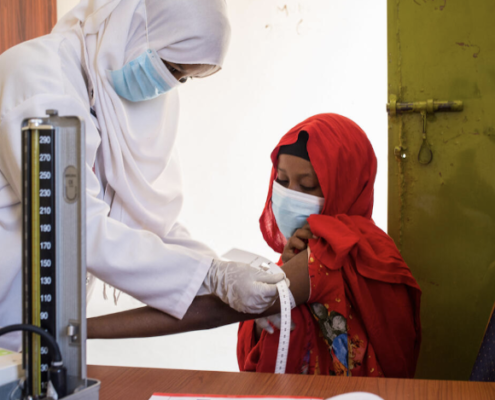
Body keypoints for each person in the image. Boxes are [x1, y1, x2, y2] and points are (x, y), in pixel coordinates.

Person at [0, 0, 285, 351]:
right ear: (134, 26)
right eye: (172, 67)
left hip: (37, 335)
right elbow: (77, 229)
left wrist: (224, 275)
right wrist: (212, 277)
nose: (170, 84)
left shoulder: (111, 98)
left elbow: (147, 221)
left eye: (184, 78)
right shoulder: (41, 82)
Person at [237, 114, 422, 378]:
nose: (291, 194)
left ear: (344, 185)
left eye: (308, 185)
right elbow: (254, 342)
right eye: (282, 180)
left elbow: (395, 353)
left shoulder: (364, 251)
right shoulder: (295, 252)